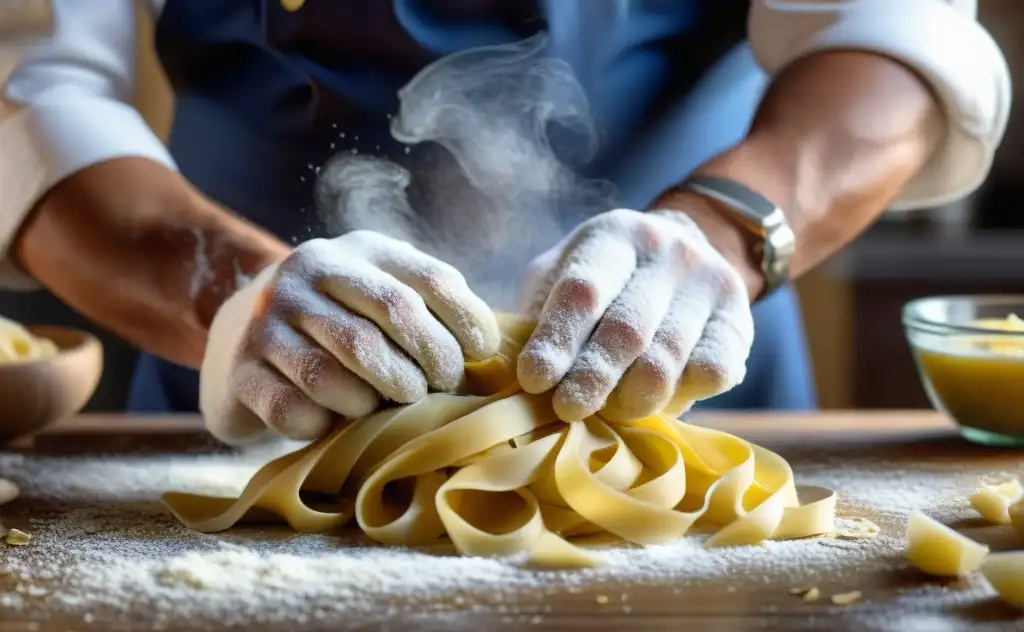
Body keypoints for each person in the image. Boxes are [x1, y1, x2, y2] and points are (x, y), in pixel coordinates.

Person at [0, 0, 1011, 445]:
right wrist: (234, 298)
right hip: (241, 391)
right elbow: (26, 85)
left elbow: (891, 37)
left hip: (692, 378)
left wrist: (718, 233)